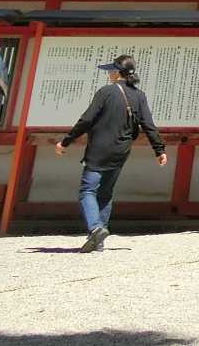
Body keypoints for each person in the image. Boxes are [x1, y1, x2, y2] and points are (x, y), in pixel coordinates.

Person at [54, 54, 166, 253]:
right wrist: (159, 149)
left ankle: (96, 228)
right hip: (121, 150)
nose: (108, 74)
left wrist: (66, 141)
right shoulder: (139, 95)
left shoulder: (106, 92)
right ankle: (98, 240)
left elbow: (86, 119)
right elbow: (148, 124)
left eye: (110, 70)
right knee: (105, 192)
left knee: (87, 190)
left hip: (99, 149)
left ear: (116, 72)